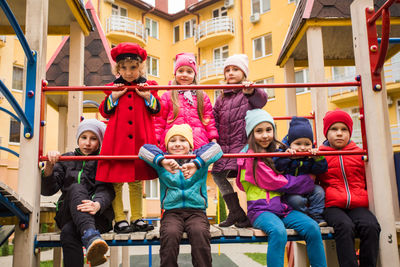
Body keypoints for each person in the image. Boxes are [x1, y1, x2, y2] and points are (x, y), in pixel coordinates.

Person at [236, 109, 327, 267]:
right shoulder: (250, 157)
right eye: (259, 131)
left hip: (282, 208)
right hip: (260, 210)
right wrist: (307, 180)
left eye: (269, 130)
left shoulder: (277, 153)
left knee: (312, 228)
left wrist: (298, 152)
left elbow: (293, 144)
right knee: (278, 232)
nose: (265, 135)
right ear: (251, 134)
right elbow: (276, 182)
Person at [96, 42, 160, 234]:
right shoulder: (113, 88)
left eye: (133, 68)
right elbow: (104, 112)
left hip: (139, 141)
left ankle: (138, 218)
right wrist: (113, 98)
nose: (129, 72)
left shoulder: (148, 87)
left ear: (140, 67)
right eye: (123, 68)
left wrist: (148, 97)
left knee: (136, 180)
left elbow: (157, 109)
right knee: (116, 181)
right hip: (118, 142)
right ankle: (120, 219)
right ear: (118, 69)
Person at [139, 124, 223, 267]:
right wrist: (162, 160)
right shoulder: (164, 162)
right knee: (169, 234)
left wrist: (197, 163)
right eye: (173, 141)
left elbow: (216, 149)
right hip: (172, 212)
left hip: (196, 212)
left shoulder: (197, 159)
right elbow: (143, 150)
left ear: (190, 144)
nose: (177, 144)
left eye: (182, 140)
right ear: (167, 145)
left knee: (199, 232)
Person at [41, 119, 114, 267]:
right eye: (84, 137)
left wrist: (98, 204)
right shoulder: (66, 159)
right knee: (76, 188)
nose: (87, 143)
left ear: (100, 142)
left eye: (93, 139)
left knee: (67, 233)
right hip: (68, 213)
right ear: (78, 139)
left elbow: (106, 190)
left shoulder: (102, 162)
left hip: (97, 216)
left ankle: (90, 234)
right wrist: (49, 165)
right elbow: (48, 191)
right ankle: (91, 236)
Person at [318, 109, 381, 267]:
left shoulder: (360, 154)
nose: (339, 133)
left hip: (357, 204)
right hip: (332, 206)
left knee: (371, 226)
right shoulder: (319, 155)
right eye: (334, 129)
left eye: (344, 129)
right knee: (344, 227)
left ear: (350, 132)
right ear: (326, 132)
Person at [212, 54, 268, 227]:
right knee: (217, 174)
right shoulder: (221, 97)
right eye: (227, 70)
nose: (230, 73)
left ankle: (253, 213)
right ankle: (236, 212)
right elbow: (214, 118)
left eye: (235, 69)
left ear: (244, 73)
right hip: (225, 146)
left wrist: (251, 91)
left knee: (244, 178)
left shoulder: (248, 92)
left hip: (242, 145)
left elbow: (261, 100)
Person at [154, 52, 218, 151]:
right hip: (174, 142)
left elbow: (209, 121)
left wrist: (213, 138)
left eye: (189, 72)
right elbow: (159, 121)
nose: (184, 75)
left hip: (198, 142)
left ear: (194, 75)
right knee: (174, 165)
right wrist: (157, 140)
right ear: (175, 74)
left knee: (195, 165)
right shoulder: (168, 95)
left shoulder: (202, 96)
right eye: (181, 71)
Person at [274, 116, 328, 226]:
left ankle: (316, 215)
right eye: (298, 144)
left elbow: (321, 170)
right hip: (291, 189)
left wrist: (318, 158)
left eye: (307, 144)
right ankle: (305, 216)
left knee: (319, 191)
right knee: (296, 200)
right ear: (290, 143)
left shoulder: (310, 155)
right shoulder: (283, 152)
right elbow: (277, 166)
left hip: (307, 186)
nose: (303, 148)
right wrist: (287, 157)